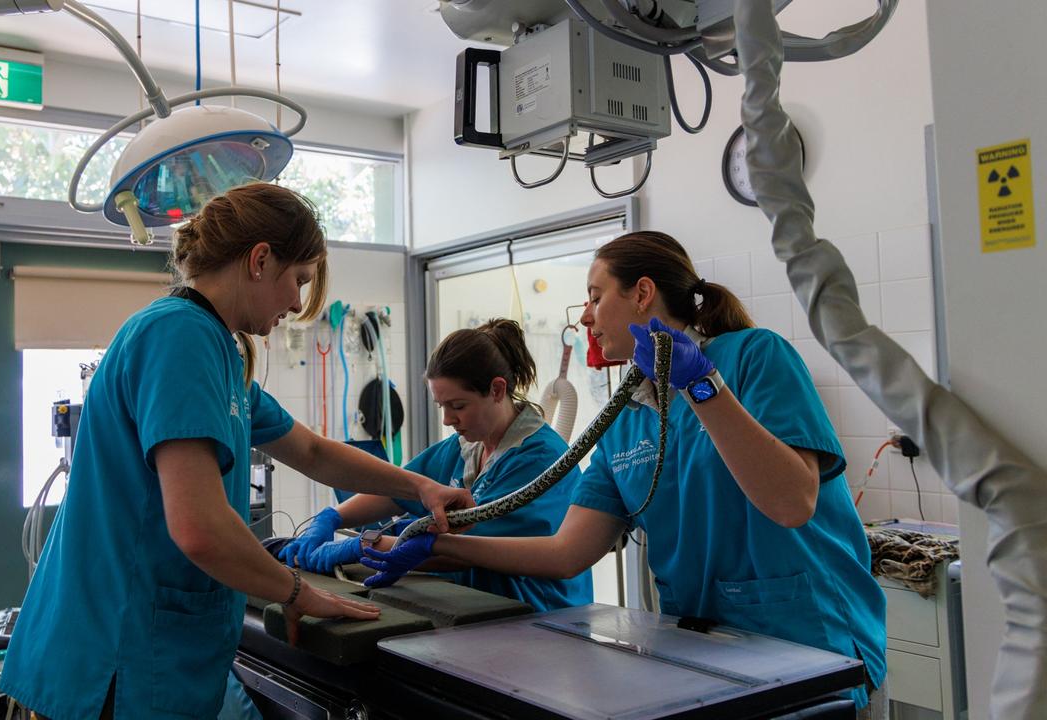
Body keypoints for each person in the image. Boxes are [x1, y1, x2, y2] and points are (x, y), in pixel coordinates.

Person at [0, 183, 472, 720]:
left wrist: (418, 487)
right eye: (297, 281)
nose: (296, 304)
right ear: (260, 260)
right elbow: (198, 527)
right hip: (113, 663)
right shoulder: (179, 335)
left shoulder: (218, 351)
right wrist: (296, 591)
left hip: (148, 658)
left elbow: (312, 452)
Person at [364, 231, 888, 718]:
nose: (585, 318)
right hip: (708, 653)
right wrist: (440, 546)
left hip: (809, 642)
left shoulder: (754, 357)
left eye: (594, 297)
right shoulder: (625, 419)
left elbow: (793, 502)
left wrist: (701, 386)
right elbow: (566, 552)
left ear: (642, 294)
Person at [286, 319, 594, 611]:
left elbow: (462, 551)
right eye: (441, 406)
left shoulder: (539, 459)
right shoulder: (464, 447)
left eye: (458, 406)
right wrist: (331, 518)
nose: (447, 419)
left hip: (539, 618)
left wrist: (362, 546)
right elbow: (399, 490)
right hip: (479, 611)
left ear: (497, 390)